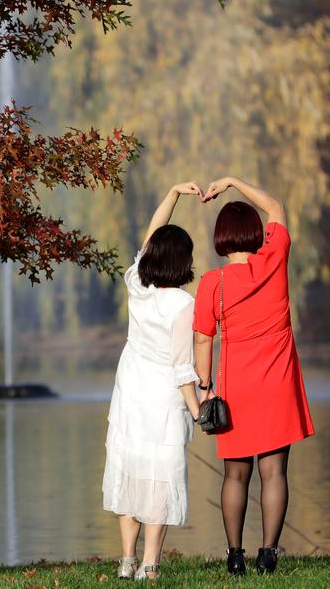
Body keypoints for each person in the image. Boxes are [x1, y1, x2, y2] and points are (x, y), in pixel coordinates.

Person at [193, 176, 314, 576]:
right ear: (256, 234)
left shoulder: (213, 283)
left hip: (237, 389)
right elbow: (277, 207)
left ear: (221, 237)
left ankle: (234, 556)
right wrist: (232, 182)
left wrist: (206, 386)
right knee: (274, 472)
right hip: (278, 385)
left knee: (235, 475)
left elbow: (202, 340)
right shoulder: (274, 259)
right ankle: (269, 554)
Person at [103, 182, 204, 581]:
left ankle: (126, 561)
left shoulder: (136, 285)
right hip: (162, 399)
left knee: (129, 472)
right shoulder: (183, 304)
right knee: (158, 480)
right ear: (183, 262)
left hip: (130, 391)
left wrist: (173, 195)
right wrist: (199, 410)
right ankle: (150, 566)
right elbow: (182, 367)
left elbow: (149, 236)